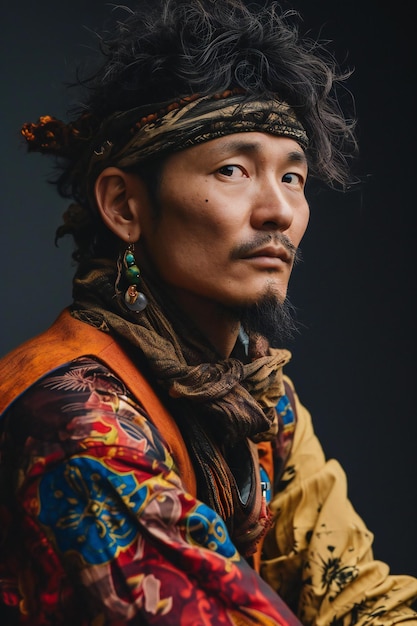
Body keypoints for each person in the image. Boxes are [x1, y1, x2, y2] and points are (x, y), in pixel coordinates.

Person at [0, 0, 416, 624]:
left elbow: (354, 595)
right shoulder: (74, 423)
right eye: (233, 169)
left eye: (294, 177)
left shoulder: (256, 395)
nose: (277, 210)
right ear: (123, 206)